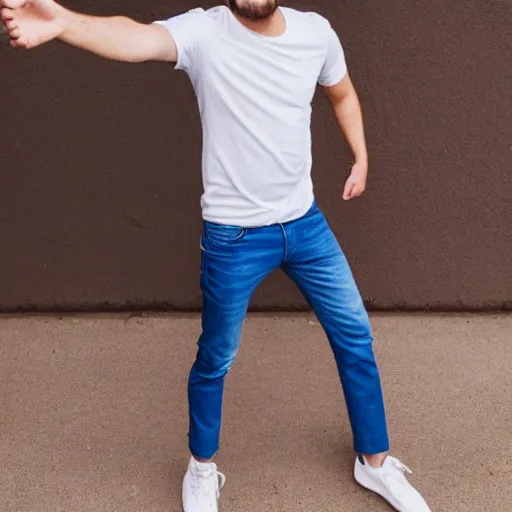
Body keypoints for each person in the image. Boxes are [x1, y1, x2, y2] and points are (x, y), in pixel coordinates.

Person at [1, 1, 432, 511]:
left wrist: (360, 155)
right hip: (234, 238)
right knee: (217, 357)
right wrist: (66, 23)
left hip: (306, 225)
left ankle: (375, 464)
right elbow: (135, 37)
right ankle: (201, 468)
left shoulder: (317, 33)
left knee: (356, 337)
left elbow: (342, 92)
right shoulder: (204, 31)